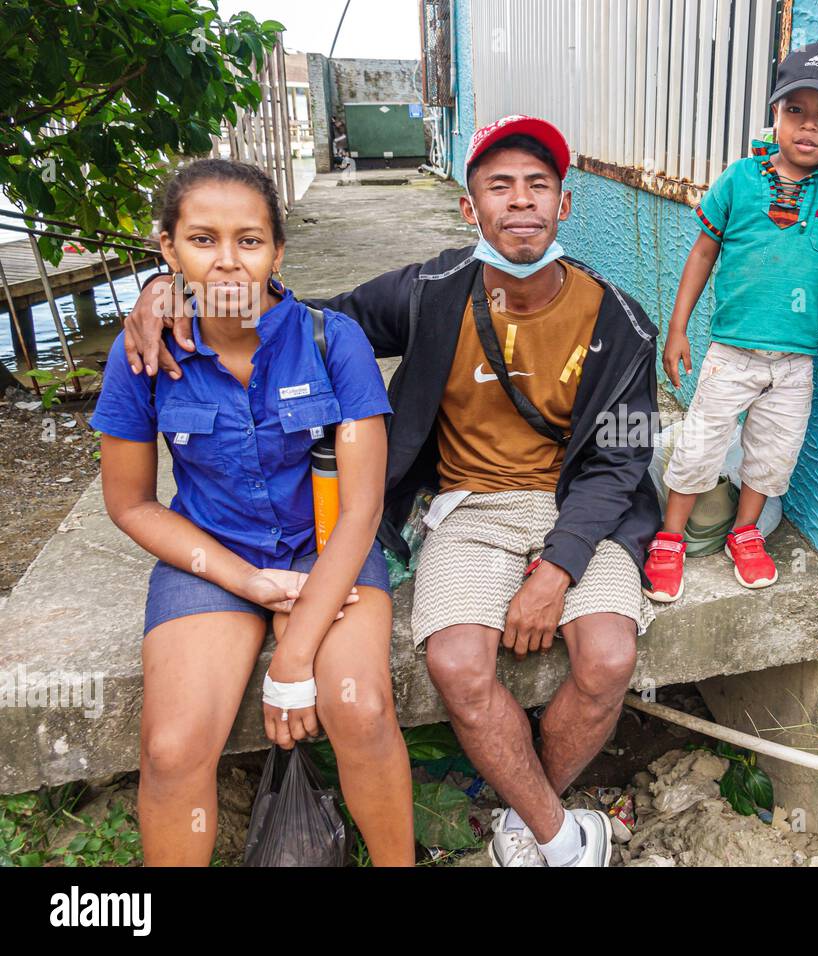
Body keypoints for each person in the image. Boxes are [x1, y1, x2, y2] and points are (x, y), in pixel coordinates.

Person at [120, 116, 661, 867]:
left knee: (605, 657)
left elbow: (621, 461)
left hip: (584, 510)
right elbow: (292, 317)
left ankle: (532, 812)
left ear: (565, 205)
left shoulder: (624, 323)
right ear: (470, 209)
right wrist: (166, 294)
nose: (522, 203)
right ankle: (557, 832)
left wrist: (560, 565)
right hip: (468, 508)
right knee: (458, 665)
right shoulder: (432, 292)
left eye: (539, 186)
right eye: (498, 187)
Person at [93, 159, 414, 866]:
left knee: (359, 710)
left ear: (278, 251)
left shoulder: (334, 341)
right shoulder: (139, 354)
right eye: (203, 240)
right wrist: (249, 583)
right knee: (172, 749)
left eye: (250, 240)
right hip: (209, 555)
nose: (229, 262)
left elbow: (363, 508)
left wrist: (293, 657)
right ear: (168, 250)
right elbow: (130, 502)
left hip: (329, 544)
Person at [645, 40, 818, 603]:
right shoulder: (740, 179)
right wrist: (677, 328)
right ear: (775, 114)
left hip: (795, 360)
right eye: (795, 111)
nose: (808, 127)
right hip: (731, 352)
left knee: (773, 454)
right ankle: (670, 537)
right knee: (700, 443)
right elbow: (701, 253)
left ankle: (745, 531)